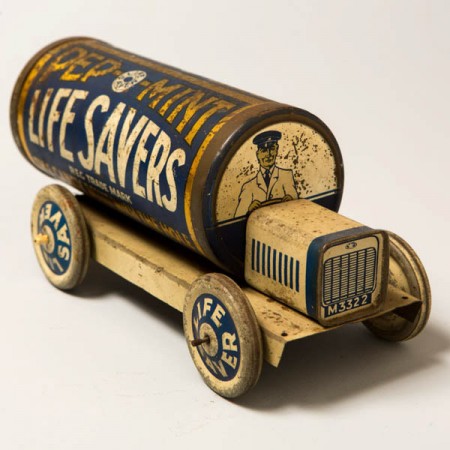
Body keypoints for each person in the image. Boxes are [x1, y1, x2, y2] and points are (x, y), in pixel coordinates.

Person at [234, 130, 298, 217]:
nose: (268, 154)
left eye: (272, 149)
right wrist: (249, 210)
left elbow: (297, 206)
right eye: (264, 150)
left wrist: (291, 200)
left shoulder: (286, 175)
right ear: (258, 154)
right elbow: (237, 218)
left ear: (276, 151)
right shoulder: (248, 186)